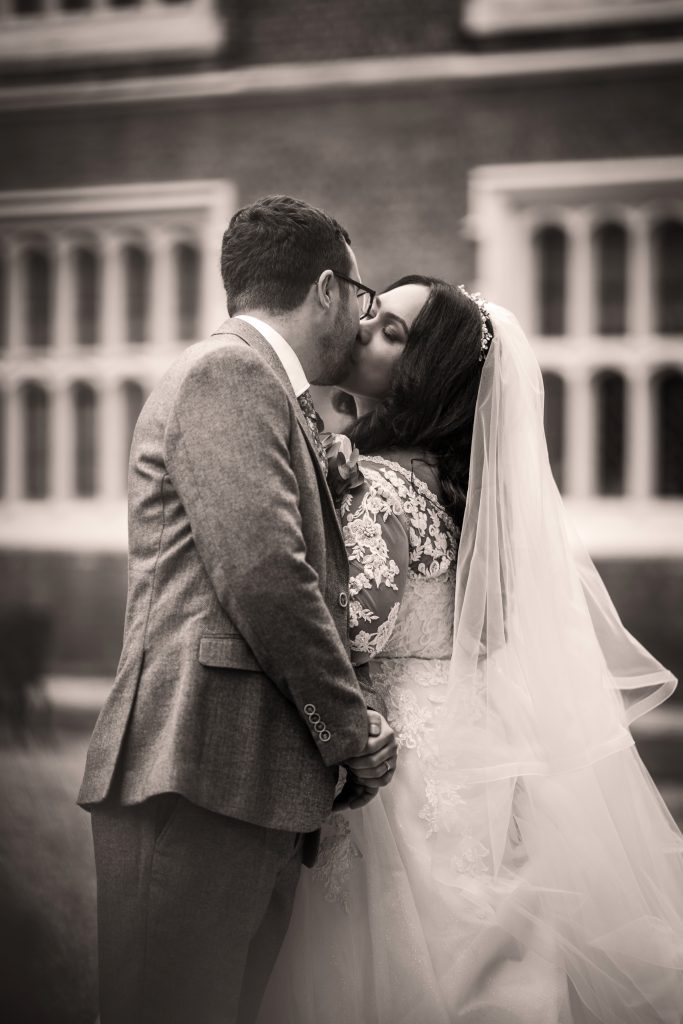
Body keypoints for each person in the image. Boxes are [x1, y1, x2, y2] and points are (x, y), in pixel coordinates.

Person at [258, 275, 683, 1023]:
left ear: (426, 377)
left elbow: (351, 632)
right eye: (372, 314)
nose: (362, 330)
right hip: (467, 747)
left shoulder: (383, 488)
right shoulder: (452, 491)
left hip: (395, 768)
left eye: (390, 332)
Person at [77, 195, 398, 1024]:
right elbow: (265, 575)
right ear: (327, 288)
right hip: (198, 771)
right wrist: (350, 730)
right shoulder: (228, 372)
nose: (364, 324)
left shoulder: (256, 384)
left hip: (242, 781)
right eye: (363, 301)